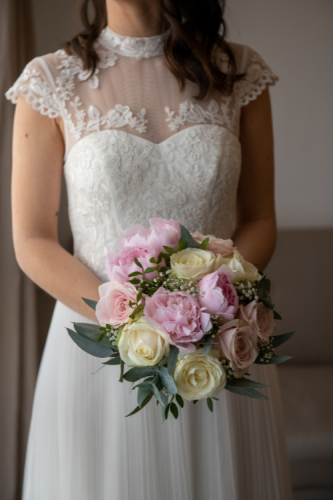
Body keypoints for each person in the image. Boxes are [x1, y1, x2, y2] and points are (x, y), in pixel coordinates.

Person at [6, 0, 293, 498]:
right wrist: (135, 319)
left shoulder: (239, 71)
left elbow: (260, 220)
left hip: (218, 343)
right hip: (96, 345)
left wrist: (209, 306)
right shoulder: (50, 80)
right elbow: (32, 239)